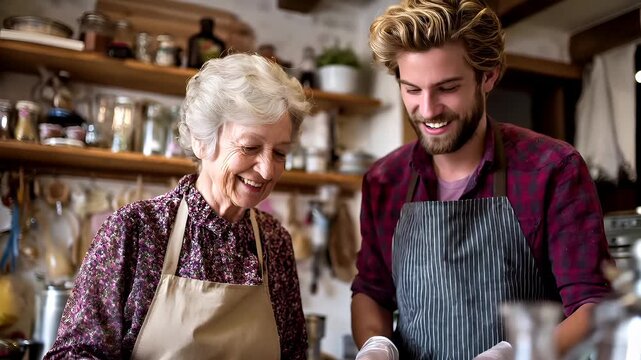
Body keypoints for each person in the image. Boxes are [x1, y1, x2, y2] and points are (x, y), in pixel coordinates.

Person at [351, 0, 613, 359]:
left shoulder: (553, 169)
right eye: (412, 89)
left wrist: (519, 354)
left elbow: (592, 303)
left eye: (446, 88)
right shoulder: (385, 181)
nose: (427, 109)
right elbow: (371, 291)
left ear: (488, 76)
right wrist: (375, 345)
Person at [45, 53, 311, 359]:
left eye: (279, 153)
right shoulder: (136, 230)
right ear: (201, 141)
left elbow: (294, 354)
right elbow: (74, 354)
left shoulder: (274, 241)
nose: (267, 170)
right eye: (250, 147)